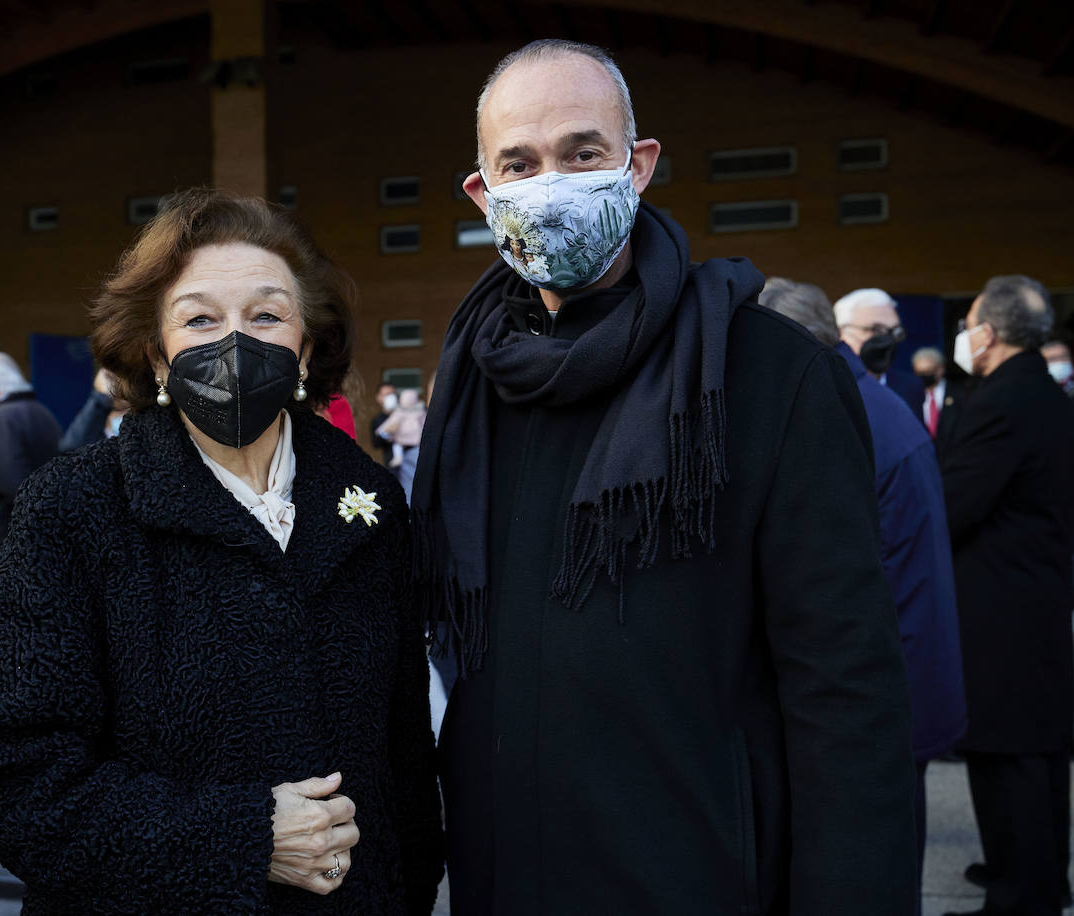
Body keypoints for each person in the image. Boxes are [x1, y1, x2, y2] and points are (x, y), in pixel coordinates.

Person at [413, 40, 916, 914]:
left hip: (698, 878)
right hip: (504, 883)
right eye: (519, 164)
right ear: (482, 193)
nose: (553, 184)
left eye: (583, 153)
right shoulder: (475, 384)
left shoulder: (768, 373)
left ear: (638, 166)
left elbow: (848, 692)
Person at [0, 189, 443, 913]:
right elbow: (14, 783)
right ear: (157, 352)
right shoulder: (75, 508)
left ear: (306, 347)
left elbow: (401, 750)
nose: (234, 342)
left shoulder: (369, 504)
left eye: (267, 315)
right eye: (200, 319)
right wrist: (242, 837)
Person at [761, 278, 967, 911]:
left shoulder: (835, 411)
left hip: (883, 687)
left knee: (872, 870)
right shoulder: (863, 398)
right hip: (905, 671)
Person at [940, 275, 1074, 916]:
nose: (964, 333)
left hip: (1000, 604)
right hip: (1034, 592)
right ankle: (1040, 876)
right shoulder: (1042, 393)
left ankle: (1020, 895)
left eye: (968, 321)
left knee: (1006, 752)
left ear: (988, 333)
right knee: (1037, 750)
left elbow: (953, 504)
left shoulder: (1000, 401)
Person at [0, 351, 60, 596]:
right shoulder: (41, 411)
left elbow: (12, 485)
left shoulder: (1, 419)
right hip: (43, 549)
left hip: (6, 551)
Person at [836, 287, 926, 422]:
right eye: (876, 330)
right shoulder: (830, 385)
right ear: (842, 333)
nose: (887, 340)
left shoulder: (911, 387)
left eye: (895, 331)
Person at [912, 346, 964, 456]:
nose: (924, 376)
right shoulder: (910, 395)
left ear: (940, 369)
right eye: (919, 372)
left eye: (928, 371)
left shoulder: (960, 394)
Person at [59, 369, 121, 451]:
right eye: (110, 378)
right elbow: (69, 448)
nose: (114, 385)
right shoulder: (100, 413)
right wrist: (100, 398)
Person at [369, 383, 397, 463]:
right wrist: (386, 432)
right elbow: (375, 443)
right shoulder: (377, 420)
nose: (391, 397)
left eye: (392, 394)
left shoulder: (404, 415)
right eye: (387, 395)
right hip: (391, 463)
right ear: (378, 398)